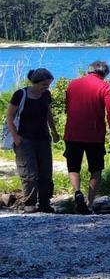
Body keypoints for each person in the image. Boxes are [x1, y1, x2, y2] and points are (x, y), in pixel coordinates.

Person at [64, 60, 110, 214]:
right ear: (105, 73)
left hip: (72, 132)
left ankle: (77, 192)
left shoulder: (73, 84)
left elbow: (68, 106)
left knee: (73, 167)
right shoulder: (106, 87)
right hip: (94, 135)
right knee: (96, 169)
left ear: (89, 71)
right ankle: (89, 202)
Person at [6, 68, 59, 213]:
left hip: (43, 138)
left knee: (46, 173)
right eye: (43, 85)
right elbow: (9, 116)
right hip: (25, 139)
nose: (46, 88)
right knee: (29, 173)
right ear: (34, 82)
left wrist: (54, 132)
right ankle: (29, 202)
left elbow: (48, 114)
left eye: (48, 85)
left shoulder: (46, 95)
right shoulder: (20, 94)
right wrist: (15, 136)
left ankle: (44, 203)